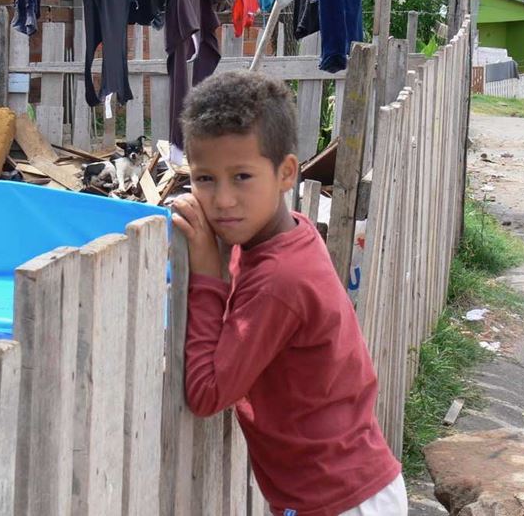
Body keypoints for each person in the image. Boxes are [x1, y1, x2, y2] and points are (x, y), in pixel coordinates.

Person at [172, 70, 405, 516]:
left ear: (286, 173)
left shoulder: (280, 280)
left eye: (242, 176)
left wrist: (206, 274)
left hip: (336, 501)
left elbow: (207, 393)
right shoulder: (288, 234)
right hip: (350, 486)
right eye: (205, 179)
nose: (222, 200)